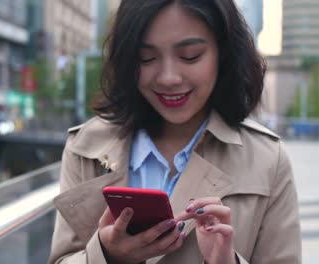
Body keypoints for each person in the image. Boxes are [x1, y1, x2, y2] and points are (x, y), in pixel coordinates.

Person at [49, 1, 301, 263]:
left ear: (223, 53)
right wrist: (107, 253)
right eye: (146, 58)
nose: (168, 78)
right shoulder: (86, 147)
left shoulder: (267, 159)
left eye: (190, 55)